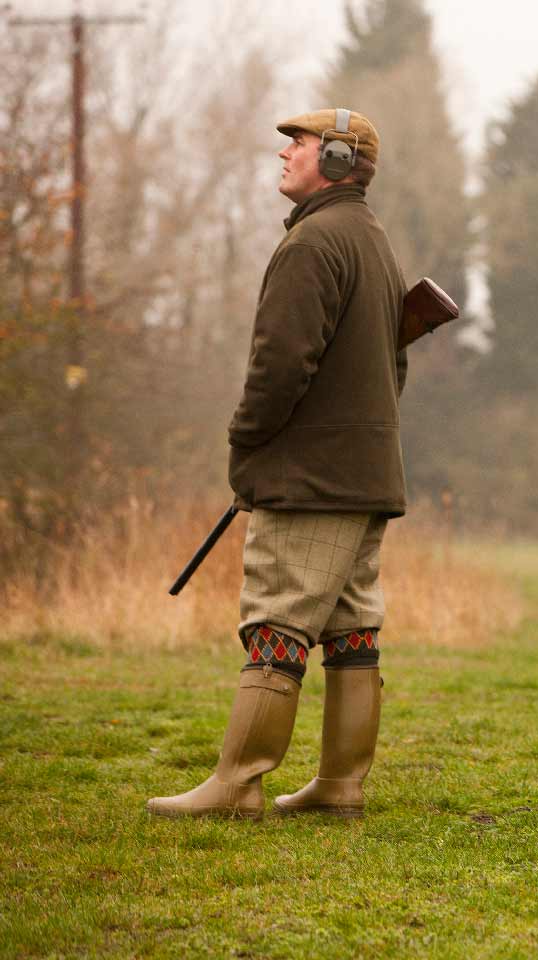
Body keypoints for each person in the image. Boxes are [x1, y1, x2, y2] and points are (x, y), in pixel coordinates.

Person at [148, 108, 406, 820]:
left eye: (298, 142)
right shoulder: (373, 243)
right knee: (352, 628)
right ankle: (340, 787)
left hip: (310, 479)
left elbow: (279, 366)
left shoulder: (312, 245)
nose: (285, 152)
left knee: (277, 623)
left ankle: (237, 785)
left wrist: (248, 439)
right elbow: (396, 364)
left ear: (335, 157)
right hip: (366, 474)